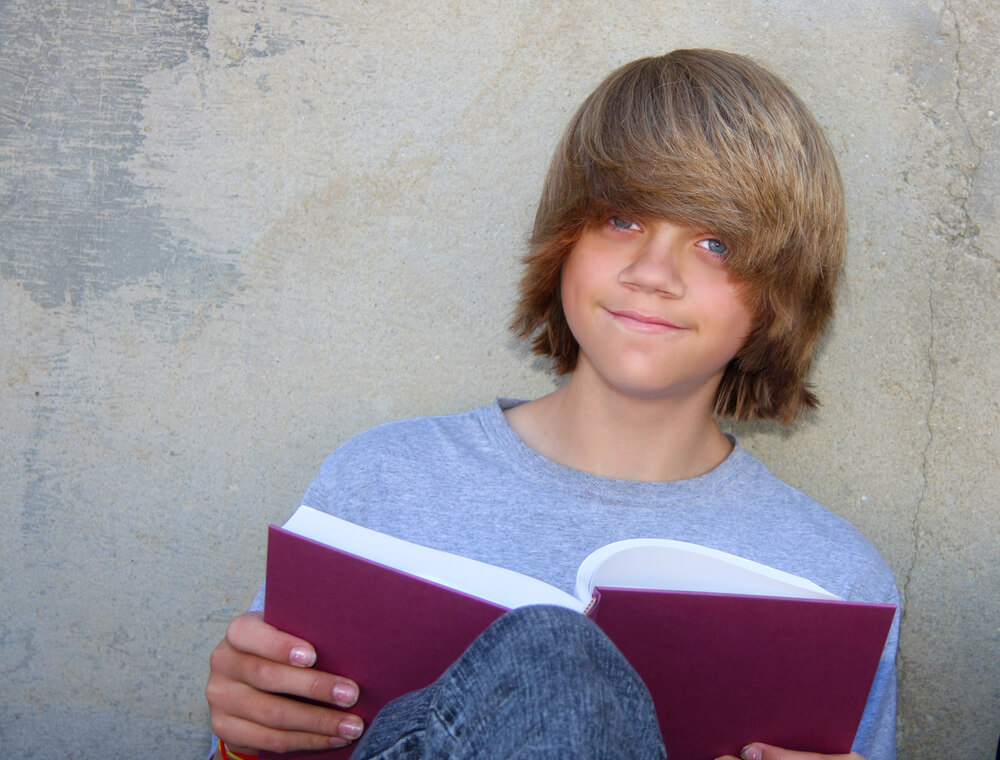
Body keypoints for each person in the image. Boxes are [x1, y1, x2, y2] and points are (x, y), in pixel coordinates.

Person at [205, 49, 899, 760]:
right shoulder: (382, 485)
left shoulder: (832, 582)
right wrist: (243, 740)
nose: (652, 274)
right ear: (565, 238)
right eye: (623, 220)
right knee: (555, 659)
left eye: (716, 242)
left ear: (781, 289)